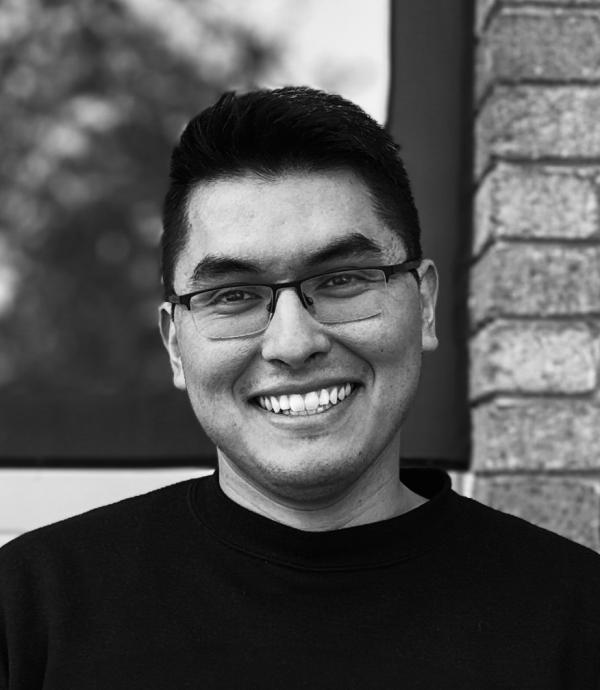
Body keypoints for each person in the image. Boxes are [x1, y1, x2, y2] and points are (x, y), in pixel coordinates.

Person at [1, 86, 599, 689]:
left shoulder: (578, 621)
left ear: (423, 306)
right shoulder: (31, 610)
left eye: (342, 279)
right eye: (232, 294)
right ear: (175, 344)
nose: (292, 343)